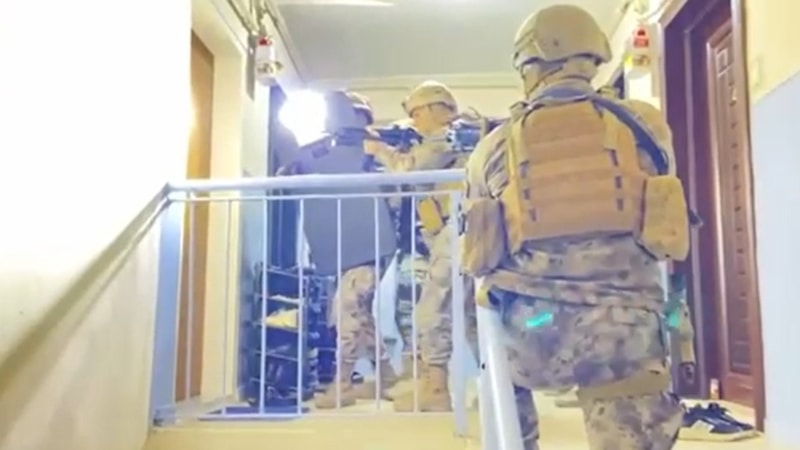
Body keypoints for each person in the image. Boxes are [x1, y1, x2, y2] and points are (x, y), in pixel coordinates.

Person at [461, 5, 692, 449]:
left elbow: (479, 251)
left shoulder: (491, 147)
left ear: (530, 63)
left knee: (485, 324)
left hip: (534, 333)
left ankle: (516, 435)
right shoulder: (644, 125)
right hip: (623, 332)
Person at [364, 81, 479, 412]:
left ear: (434, 108)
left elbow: (409, 170)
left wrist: (380, 151)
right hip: (459, 230)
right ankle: (499, 389)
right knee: (473, 314)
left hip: (459, 229)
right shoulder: (455, 137)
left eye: (417, 113)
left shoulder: (448, 135)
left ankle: (436, 390)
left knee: (431, 309)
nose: (415, 121)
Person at [314, 92, 399, 409]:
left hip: (372, 243)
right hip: (347, 244)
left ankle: (343, 384)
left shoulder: (376, 150)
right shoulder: (333, 153)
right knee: (357, 313)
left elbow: (394, 196)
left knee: (348, 307)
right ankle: (387, 375)